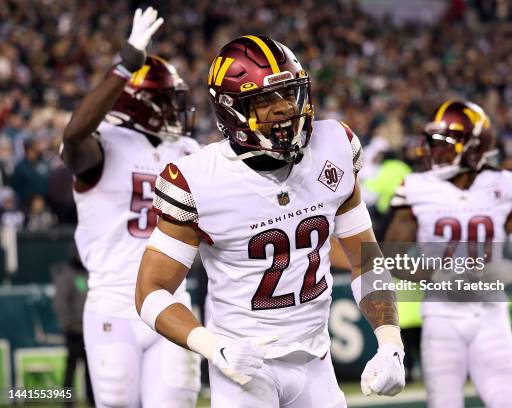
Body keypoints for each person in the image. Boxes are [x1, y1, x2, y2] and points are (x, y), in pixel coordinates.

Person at [135, 35, 406, 407]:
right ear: (231, 110)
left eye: (288, 94)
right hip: (243, 370)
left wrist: (391, 342)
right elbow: (150, 291)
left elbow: (365, 260)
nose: (282, 109)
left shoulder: (335, 146)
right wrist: (214, 346)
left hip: (317, 361)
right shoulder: (199, 179)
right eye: (264, 100)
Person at [62, 8, 201, 408]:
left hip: (172, 300)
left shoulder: (187, 150)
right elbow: (73, 135)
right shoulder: (101, 145)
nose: (176, 111)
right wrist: (124, 67)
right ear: (140, 104)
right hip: (113, 302)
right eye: (166, 101)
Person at [386, 100, 512, 407]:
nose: (436, 151)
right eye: (433, 142)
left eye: (446, 144)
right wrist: (434, 274)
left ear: (474, 145)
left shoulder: (504, 184)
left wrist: (509, 272)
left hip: (492, 315)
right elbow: (390, 257)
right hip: (441, 316)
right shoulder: (416, 188)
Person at [51, 250, 94, 407]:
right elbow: (60, 303)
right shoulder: (68, 275)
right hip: (74, 331)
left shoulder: (89, 273)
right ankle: (67, 401)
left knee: (90, 369)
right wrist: (69, 324)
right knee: (71, 367)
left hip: (88, 330)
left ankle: (92, 399)